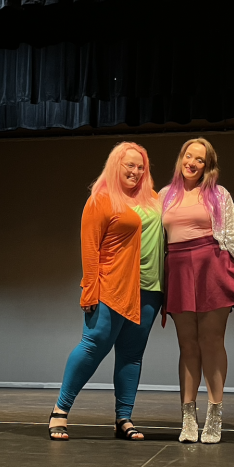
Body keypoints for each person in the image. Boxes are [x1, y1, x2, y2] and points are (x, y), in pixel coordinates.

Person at [48, 142, 164, 441]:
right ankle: (60, 411)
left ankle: (123, 419)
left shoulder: (153, 199)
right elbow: (90, 248)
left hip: (150, 288)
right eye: (130, 165)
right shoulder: (100, 199)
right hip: (113, 286)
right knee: (93, 346)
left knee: (132, 355)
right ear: (116, 165)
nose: (136, 172)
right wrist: (89, 290)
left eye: (141, 167)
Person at [159, 138, 234, 444]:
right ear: (181, 158)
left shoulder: (218, 195)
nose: (192, 163)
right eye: (188, 156)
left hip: (212, 268)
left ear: (208, 166)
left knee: (211, 340)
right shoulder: (164, 196)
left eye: (200, 160)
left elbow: (233, 236)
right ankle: (188, 417)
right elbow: (152, 241)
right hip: (178, 272)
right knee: (188, 345)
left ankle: (215, 415)